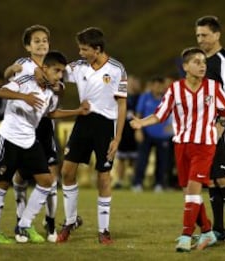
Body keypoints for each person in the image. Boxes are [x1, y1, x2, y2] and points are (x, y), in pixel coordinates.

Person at [130, 47, 225, 252]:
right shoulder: (175, 89)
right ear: (185, 66)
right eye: (197, 62)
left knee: (193, 189)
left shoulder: (213, 88)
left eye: (204, 62)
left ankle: (186, 235)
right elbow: (160, 115)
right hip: (182, 145)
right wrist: (142, 123)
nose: (202, 65)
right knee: (189, 192)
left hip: (205, 145)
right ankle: (208, 231)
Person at [0, 51, 90, 244]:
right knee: (2, 183)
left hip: (29, 142)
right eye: (56, 71)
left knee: (47, 181)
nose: (59, 76)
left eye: (62, 72)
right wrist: (24, 97)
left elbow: (51, 113)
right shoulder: (25, 80)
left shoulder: (50, 92)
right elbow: (2, 92)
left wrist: (77, 111)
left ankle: (24, 224)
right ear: (44, 68)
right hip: (8, 138)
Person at [56, 27, 127, 245]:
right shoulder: (78, 67)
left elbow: (122, 104)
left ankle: (103, 230)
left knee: (103, 177)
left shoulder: (116, 69)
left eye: (84, 49)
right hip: (83, 122)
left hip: (106, 126)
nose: (80, 52)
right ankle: (70, 221)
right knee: (67, 171)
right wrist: (54, 82)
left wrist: (118, 138)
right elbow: (54, 72)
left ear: (97, 49)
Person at [4, 24, 70, 243]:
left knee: (51, 178)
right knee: (20, 177)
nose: (42, 44)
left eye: (45, 40)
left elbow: (59, 89)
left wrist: (58, 86)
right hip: (23, 126)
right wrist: (10, 70)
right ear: (27, 46)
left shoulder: (53, 64)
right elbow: (8, 77)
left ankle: (50, 223)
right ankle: (21, 223)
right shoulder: (23, 64)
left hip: (44, 126)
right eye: (37, 41)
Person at [195, 15, 225, 241]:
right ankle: (218, 228)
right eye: (197, 35)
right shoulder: (202, 60)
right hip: (205, 126)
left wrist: (222, 124)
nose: (200, 39)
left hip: (220, 126)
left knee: (224, 177)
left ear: (217, 35)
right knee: (211, 179)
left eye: (204, 35)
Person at [132, 76, 172, 192]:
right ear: (152, 86)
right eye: (156, 85)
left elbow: (173, 113)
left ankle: (159, 184)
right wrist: (138, 131)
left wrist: (171, 127)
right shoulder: (145, 97)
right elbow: (138, 113)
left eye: (161, 85)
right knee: (142, 160)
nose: (159, 88)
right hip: (147, 133)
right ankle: (138, 183)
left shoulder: (167, 98)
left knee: (162, 161)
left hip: (163, 135)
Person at [113, 75, 141, 189]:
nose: (134, 84)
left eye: (136, 82)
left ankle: (134, 180)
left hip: (135, 130)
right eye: (132, 82)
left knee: (134, 159)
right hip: (123, 130)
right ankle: (119, 180)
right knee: (121, 158)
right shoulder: (120, 96)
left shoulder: (140, 98)